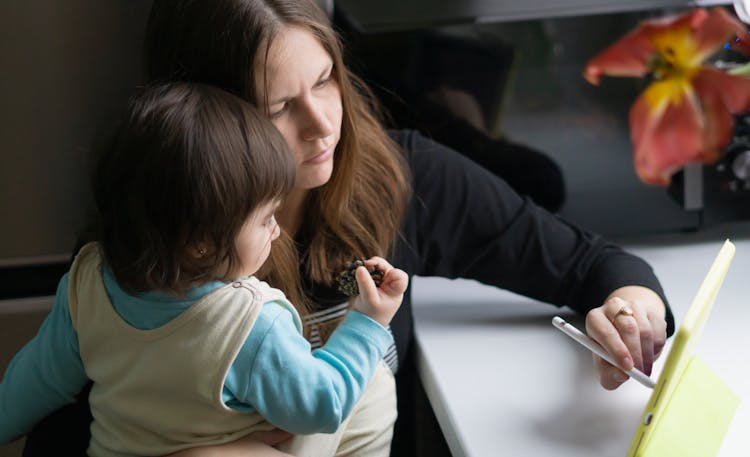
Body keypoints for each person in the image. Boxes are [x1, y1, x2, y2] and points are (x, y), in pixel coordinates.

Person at [22, 0, 676, 455]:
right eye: (280, 107)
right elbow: (51, 428)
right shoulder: (151, 247)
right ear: (209, 125)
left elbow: (587, 262)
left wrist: (632, 308)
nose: (322, 124)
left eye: (326, 79)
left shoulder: (403, 175)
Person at [0, 82, 408, 456]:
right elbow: (323, 405)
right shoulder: (249, 324)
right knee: (372, 385)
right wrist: (367, 322)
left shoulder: (87, 283)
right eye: (266, 218)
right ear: (201, 243)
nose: (277, 229)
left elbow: (38, 379)